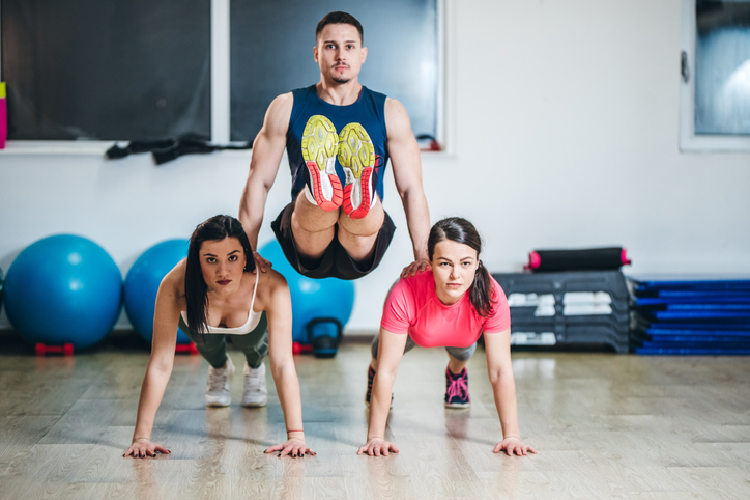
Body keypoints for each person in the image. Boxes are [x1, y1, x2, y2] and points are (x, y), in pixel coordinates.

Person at [239, 11, 430, 281]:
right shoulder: (287, 106)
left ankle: (353, 193)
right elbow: (258, 181)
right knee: (317, 209)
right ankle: (327, 191)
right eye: (331, 46)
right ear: (316, 53)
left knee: (363, 217)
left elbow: (411, 189)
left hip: (360, 240)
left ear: (362, 54)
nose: (341, 55)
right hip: (308, 237)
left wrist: (423, 256)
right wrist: (246, 249)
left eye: (349, 47)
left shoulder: (389, 112)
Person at [123, 215, 314, 458]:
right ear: (196, 262)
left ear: (246, 256)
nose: (223, 271)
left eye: (232, 257)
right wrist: (141, 438)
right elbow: (160, 363)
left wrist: (296, 436)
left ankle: (254, 367)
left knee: (252, 345)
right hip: (201, 326)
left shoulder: (270, 285)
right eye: (211, 260)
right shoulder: (175, 284)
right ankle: (220, 366)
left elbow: (283, 363)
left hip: (250, 329)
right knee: (208, 345)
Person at [357, 218, 537, 457]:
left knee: (464, 351)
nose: (455, 274)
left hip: (462, 335)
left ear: (477, 263)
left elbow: (501, 371)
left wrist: (512, 437)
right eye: (444, 263)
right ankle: (373, 371)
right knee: (382, 358)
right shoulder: (405, 292)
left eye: (465, 263)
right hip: (416, 328)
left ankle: (455, 374)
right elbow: (389, 371)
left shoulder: (491, 297)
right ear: (429, 262)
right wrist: (376, 438)